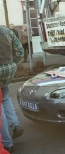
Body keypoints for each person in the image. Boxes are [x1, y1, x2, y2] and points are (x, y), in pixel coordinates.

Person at [0, 25, 24, 153]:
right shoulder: (6, 30)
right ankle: (15, 125)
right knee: (5, 98)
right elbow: (20, 51)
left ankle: (6, 143)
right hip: (8, 70)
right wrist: (11, 64)